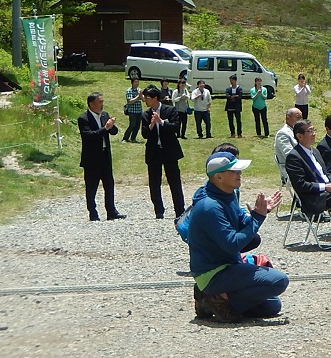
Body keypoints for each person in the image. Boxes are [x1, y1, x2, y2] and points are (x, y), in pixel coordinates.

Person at [187, 151, 288, 322]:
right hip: (213, 272)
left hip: (228, 265)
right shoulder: (210, 207)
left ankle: (219, 298)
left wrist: (260, 211)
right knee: (279, 281)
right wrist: (258, 217)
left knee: (272, 305)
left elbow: (243, 223)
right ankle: (211, 298)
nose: (239, 174)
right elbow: (233, 244)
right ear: (219, 177)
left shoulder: (228, 195)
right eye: (234, 171)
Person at [284, 120, 331, 221]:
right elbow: (300, 185)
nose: (314, 134)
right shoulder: (294, 157)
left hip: (329, 191)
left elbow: (326, 173)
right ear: (299, 136)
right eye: (310, 131)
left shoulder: (315, 151)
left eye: (313, 130)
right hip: (314, 196)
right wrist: (324, 187)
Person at [77, 91, 125, 221]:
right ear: (91, 104)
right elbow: (89, 136)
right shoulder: (84, 118)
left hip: (105, 156)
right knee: (91, 187)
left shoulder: (104, 115)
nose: (102, 104)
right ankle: (93, 213)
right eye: (100, 102)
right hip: (92, 159)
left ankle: (111, 211)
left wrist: (111, 126)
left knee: (109, 184)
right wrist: (106, 128)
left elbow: (113, 132)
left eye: (102, 101)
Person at [141, 85, 186, 219]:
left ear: (155, 98)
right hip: (154, 152)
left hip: (169, 151)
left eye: (147, 98)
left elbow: (175, 128)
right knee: (154, 183)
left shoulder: (170, 110)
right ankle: (159, 210)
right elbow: (144, 134)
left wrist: (161, 122)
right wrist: (151, 125)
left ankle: (179, 210)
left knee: (174, 181)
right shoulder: (146, 114)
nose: (145, 100)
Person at [274, 108, 303, 173]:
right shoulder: (283, 134)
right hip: (292, 172)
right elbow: (290, 156)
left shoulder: (299, 132)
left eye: (301, 118)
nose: (300, 120)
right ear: (288, 118)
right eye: (298, 117)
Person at [122, 77, 144, 143]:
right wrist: (138, 96)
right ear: (132, 83)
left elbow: (143, 100)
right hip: (132, 111)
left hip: (139, 111)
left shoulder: (139, 90)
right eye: (135, 82)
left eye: (138, 82)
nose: (137, 83)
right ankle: (125, 138)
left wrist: (142, 96)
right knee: (132, 125)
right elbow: (130, 101)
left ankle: (133, 138)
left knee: (137, 126)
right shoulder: (129, 90)